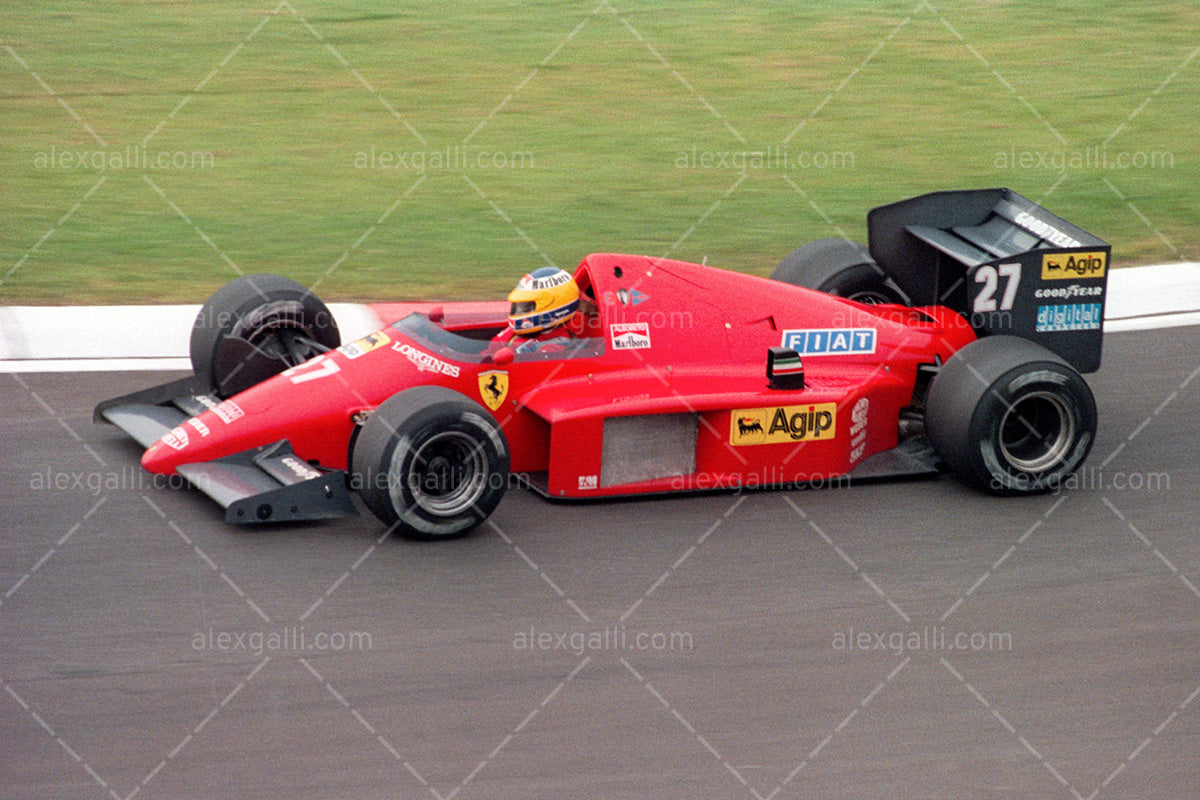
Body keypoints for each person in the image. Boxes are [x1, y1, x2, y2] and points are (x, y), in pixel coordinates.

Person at [494, 267, 581, 353]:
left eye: (526, 306)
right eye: (518, 305)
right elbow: (492, 349)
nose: (518, 311)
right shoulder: (522, 331)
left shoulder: (554, 347)